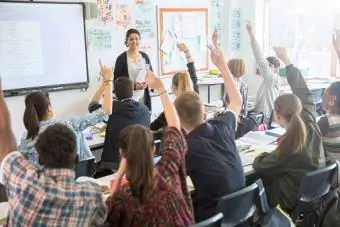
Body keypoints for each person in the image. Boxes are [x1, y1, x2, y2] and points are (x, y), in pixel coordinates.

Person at [0, 81, 107, 225]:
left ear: (41, 160)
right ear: (76, 159)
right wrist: (108, 81)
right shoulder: (91, 195)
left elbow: (5, 141)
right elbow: (104, 111)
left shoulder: (23, 188)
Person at [105, 70, 194, 227]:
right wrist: (161, 89)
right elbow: (174, 126)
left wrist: (118, 177)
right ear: (153, 149)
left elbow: (105, 218)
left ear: (122, 154)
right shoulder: (168, 172)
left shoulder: (122, 199)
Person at [174, 29, 245, 222]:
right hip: (240, 212)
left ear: (180, 122)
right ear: (204, 113)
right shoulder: (222, 126)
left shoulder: (187, 147)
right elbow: (237, 101)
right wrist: (222, 66)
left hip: (214, 218)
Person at [253, 47, 325, 213]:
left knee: (254, 183)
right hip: (312, 194)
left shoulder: (289, 144)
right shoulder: (310, 122)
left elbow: (261, 165)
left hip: (288, 198)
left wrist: (263, 154)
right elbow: (304, 93)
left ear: (277, 116)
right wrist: (287, 61)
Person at [18, 61, 113, 177]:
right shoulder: (69, 124)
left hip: (45, 190)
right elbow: (106, 111)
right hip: (76, 183)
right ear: (49, 108)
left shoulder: (26, 140)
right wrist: (108, 81)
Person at [88, 76, 150, 170]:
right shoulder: (145, 110)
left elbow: (92, 105)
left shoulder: (111, 109)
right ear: (132, 92)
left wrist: (105, 85)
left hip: (116, 163)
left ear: (115, 94)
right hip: (140, 160)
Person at [150, 42, 199, 131]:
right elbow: (193, 73)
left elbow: (153, 126)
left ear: (174, 87)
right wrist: (187, 52)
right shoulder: (196, 97)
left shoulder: (172, 109)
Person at [246, 21, 280, 121]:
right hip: (262, 115)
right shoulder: (268, 81)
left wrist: (251, 35)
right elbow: (260, 98)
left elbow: (260, 57)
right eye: (267, 66)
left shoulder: (272, 78)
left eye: (270, 66)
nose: (267, 68)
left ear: (275, 68)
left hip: (265, 117)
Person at [114, 28, 153, 111]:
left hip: (143, 96)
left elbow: (151, 74)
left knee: (144, 120)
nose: (134, 41)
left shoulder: (145, 57)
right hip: (127, 99)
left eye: (136, 38)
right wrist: (134, 86)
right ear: (127, 42)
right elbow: (117, 83)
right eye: (131, 39)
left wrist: (147, 83)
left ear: (140, 40)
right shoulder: (121, 59)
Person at [317, 36, 340, 161]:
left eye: (324, 94)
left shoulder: (326, 122)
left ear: (332, 98)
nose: (321, 98)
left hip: (334, 176)